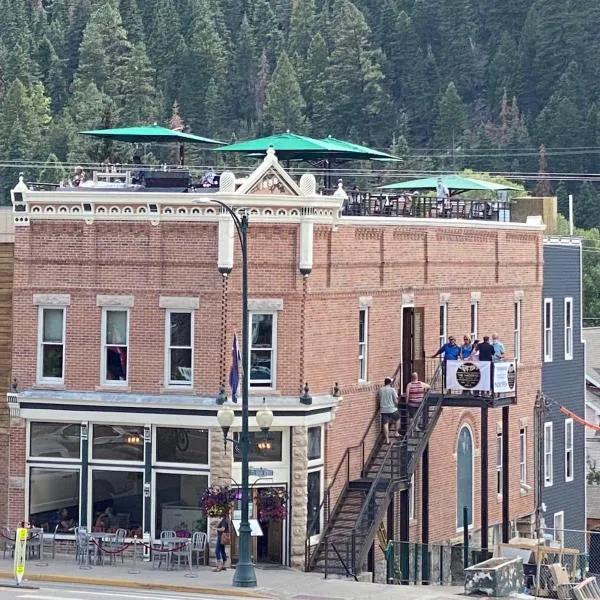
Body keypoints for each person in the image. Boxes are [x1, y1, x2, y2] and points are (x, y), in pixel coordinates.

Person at [378, 377, 400, 444]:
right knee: (398, 418)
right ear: (390, 382)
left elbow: (380, 398)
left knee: (385, 424)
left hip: (383, 410)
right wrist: (397, 403)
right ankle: (396, 432)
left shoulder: (381, 390)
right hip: (392, 409)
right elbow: (396, 401)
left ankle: (387, 439)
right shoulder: (392, 390)